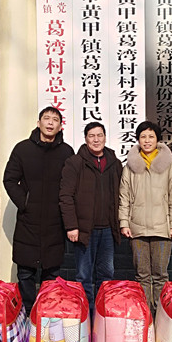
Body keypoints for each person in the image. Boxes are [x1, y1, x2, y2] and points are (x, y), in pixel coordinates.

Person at [3, 106, 74, 315]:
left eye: (55, 119)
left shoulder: (66, 152)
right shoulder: (22, 149)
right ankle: (27, 311)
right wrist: (25, 202)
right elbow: (9, 179)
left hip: (55, 221)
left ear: (60, 126)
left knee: (52, 271)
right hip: (29, 220)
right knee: (26, 270)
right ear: (38, 123)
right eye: (46, 118)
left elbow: (72, 185)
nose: (50, 122)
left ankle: (46, 313)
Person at [59, 121, 123, 317]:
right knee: (84, 276)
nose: (96, 140)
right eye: (92, 136)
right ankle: (86, 317)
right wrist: (71, 226)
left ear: (105, 137)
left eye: (99, 135)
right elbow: (65, 196)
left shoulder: (114, 163)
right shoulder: (75, 162)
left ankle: (102, 317)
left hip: (108, 229)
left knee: (107, 275)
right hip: (84, 230)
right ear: (86, 139)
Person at [118, 120, 172, 313]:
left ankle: (161, 314)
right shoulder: (130, 167)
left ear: (157, 139)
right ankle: (145, 315)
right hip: (137, 228)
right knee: (142, 275)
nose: (147, 140)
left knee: (160, 275)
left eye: (151, 136)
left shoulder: (169, 166)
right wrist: (124, 222)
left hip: (162, 228)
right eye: (143, 137)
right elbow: (124, 196)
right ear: (138, 140)